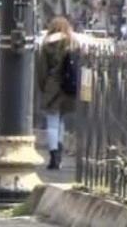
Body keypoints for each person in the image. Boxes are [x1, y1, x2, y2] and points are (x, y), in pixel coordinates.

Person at [37, 16, 79, 170]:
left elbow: (42, 70)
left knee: (52, 123)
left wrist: (44, 87)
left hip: (53, 87)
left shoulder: (47, 44)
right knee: (61, 122)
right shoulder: (73, 43)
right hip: (69, 88)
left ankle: (54, 155)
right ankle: (59, 155)